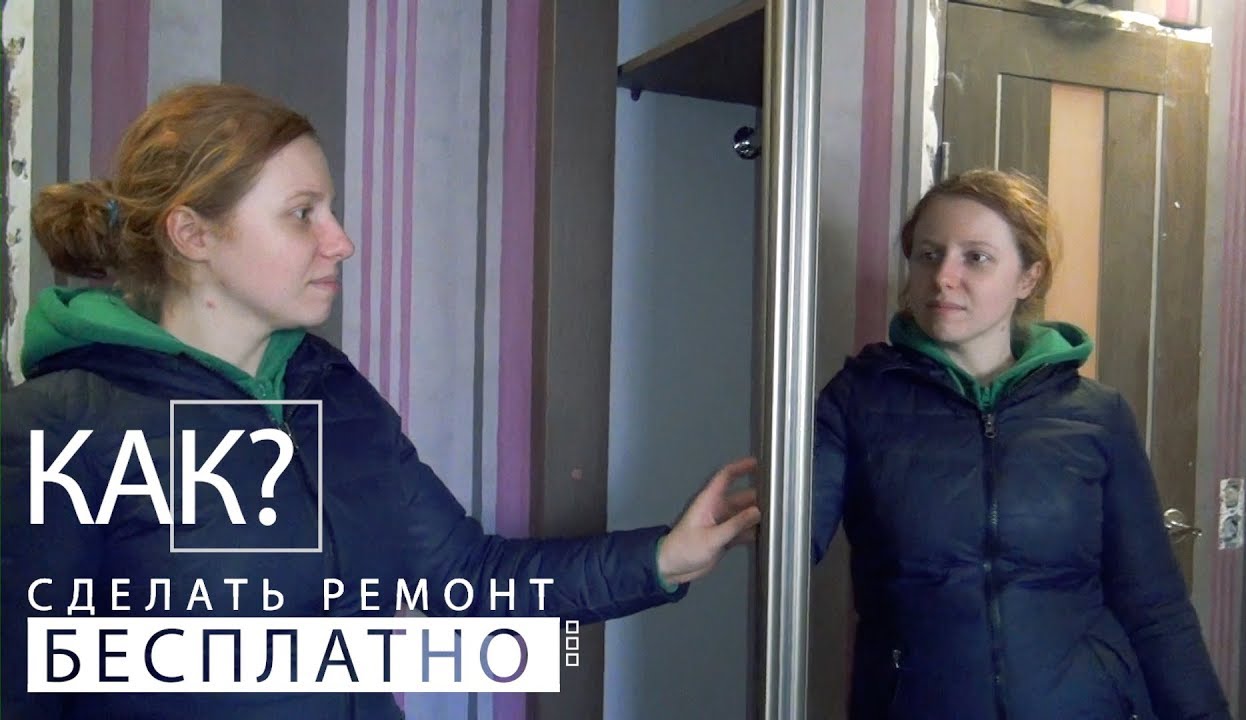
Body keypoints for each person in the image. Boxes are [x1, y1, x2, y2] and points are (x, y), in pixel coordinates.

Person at [0, 83, 760, 720]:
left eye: (330, 210)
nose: (341, 241)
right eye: (303, 212)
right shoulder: (57, 430)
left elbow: (467, 575)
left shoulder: (335, 395)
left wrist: (664, 558)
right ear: (194, 234)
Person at [811, 169, 1229, 719]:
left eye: (976, 258)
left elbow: (1154, 605)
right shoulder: (858, 400)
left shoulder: (1097, 416)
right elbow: (791, 536)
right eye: (929, 255)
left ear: (1028, 278)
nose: (944, 277)